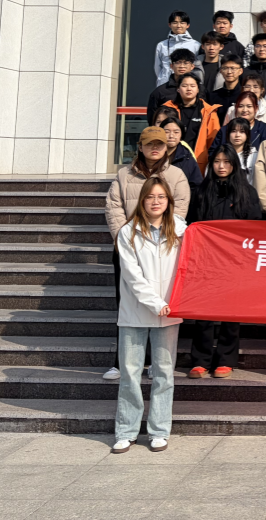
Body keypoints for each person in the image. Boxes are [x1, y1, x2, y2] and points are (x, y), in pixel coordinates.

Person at [103, 126, 191, 380]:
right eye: (149, 144)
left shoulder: (176, 175)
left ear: (167, 147)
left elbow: (180, 208)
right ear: (140, 146)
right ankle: (122, 362)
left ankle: (156, 362)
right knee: (128, 305)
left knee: (161, 303)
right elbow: (113, 207)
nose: (155, 148)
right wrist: (126, 237)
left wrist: (166, 236)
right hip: (129, 246)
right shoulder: (124, 175)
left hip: (164, 248)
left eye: (159, 144)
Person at [111, 175, 184, 453]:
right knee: (130, 374)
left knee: (164, 373)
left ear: (169, 201)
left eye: (161, 197)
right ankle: (126, 431)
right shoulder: (128, 232)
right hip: (135, 311)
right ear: (142, 200)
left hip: (169, 311)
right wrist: (155, 303)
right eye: (150, 197)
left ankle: (159, 430)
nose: (156, 202)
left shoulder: (182, 231)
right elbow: (132, 276)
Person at [185, 146, 263, 379]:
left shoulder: (246, 192)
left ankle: (226, 360)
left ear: (234, 164)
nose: (221, 166)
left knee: (231, 312)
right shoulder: (202, 191)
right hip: (206, 260)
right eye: (217, 161)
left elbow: (255, 227)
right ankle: (200, 360)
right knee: (204, 312)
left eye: (226, 162)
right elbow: (192, 223)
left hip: (235, 261)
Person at [163, 74, 220, 173]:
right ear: (178, 89)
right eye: (184, 86)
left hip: (198, 163)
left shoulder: (208, 112)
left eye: (192, 86)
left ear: (198, 89)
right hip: (170, 160)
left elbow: (213, 140)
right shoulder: (167, 110)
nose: (189, 89)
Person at [146, 48, 196, 124]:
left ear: (192, 66)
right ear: (171, 66)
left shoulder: (200, 90)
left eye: (186, 63)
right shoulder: (159, 92)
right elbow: (153, 121)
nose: (182, 66)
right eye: (178, 62)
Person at [154, 10, 200, 86]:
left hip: (187, 86)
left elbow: (197, 68)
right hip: (165, 85)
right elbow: (158, 67)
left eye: (182, 22)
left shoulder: (196, 45)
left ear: (188, 25)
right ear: (169, 25)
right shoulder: (162, 45)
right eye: (175, 22)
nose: (178, 26)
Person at [160, 117, 202, 189]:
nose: (171, 136)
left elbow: (196, 185)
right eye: (166, 132)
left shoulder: (187, 158)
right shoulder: (154, 154)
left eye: (176, 132)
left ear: (181, 134)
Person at [221, 119, 258, 183]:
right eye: (233, 131)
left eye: (242, 131)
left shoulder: (254, 155)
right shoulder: (220, 153)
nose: (237, 135)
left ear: (247, 135)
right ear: (228, 134)